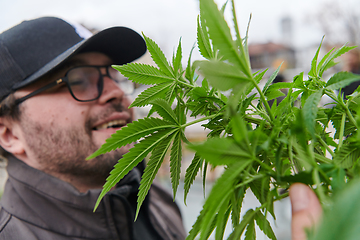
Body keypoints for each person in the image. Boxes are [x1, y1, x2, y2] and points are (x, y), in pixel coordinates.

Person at [0, 17, 186, 240]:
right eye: (77, 80)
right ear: (10, 134)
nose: (116, 91)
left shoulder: (159, 202)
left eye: (115, 75)